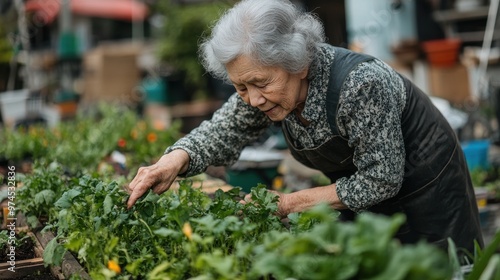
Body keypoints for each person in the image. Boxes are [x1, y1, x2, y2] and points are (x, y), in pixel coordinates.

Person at [127, 0, 483, 258]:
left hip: (427, 189)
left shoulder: (360, 85)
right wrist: (173, 160)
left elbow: (381, 179)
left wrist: (286, 203)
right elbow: (223, 131)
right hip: (365, 196)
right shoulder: (265, 87)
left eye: (259, 84)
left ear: (297, 62)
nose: (252, 99)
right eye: (240, 88)